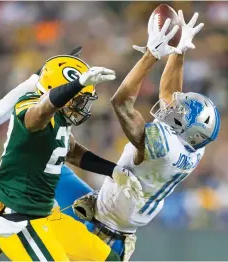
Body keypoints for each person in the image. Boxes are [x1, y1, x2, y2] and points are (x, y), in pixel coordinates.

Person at [72, 10, 220, 261]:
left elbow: (121, 103)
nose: (174, 105)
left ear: (186, 128)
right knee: (52, 159)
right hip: (104, 216)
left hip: (103, 238)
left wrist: (151, 55)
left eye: (180, 112)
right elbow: (170, 92)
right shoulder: (193, 144)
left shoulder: (163, 147)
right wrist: (178, 51)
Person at [0, 54, 143, 261]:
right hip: (19, 220)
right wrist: (78, 84)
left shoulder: (60, 119)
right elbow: (38, 115)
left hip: (47, 214)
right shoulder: (29, 107)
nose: (83, 106)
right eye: (79, 99)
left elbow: (71, 151)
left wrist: (115, 171)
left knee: (109, 259)